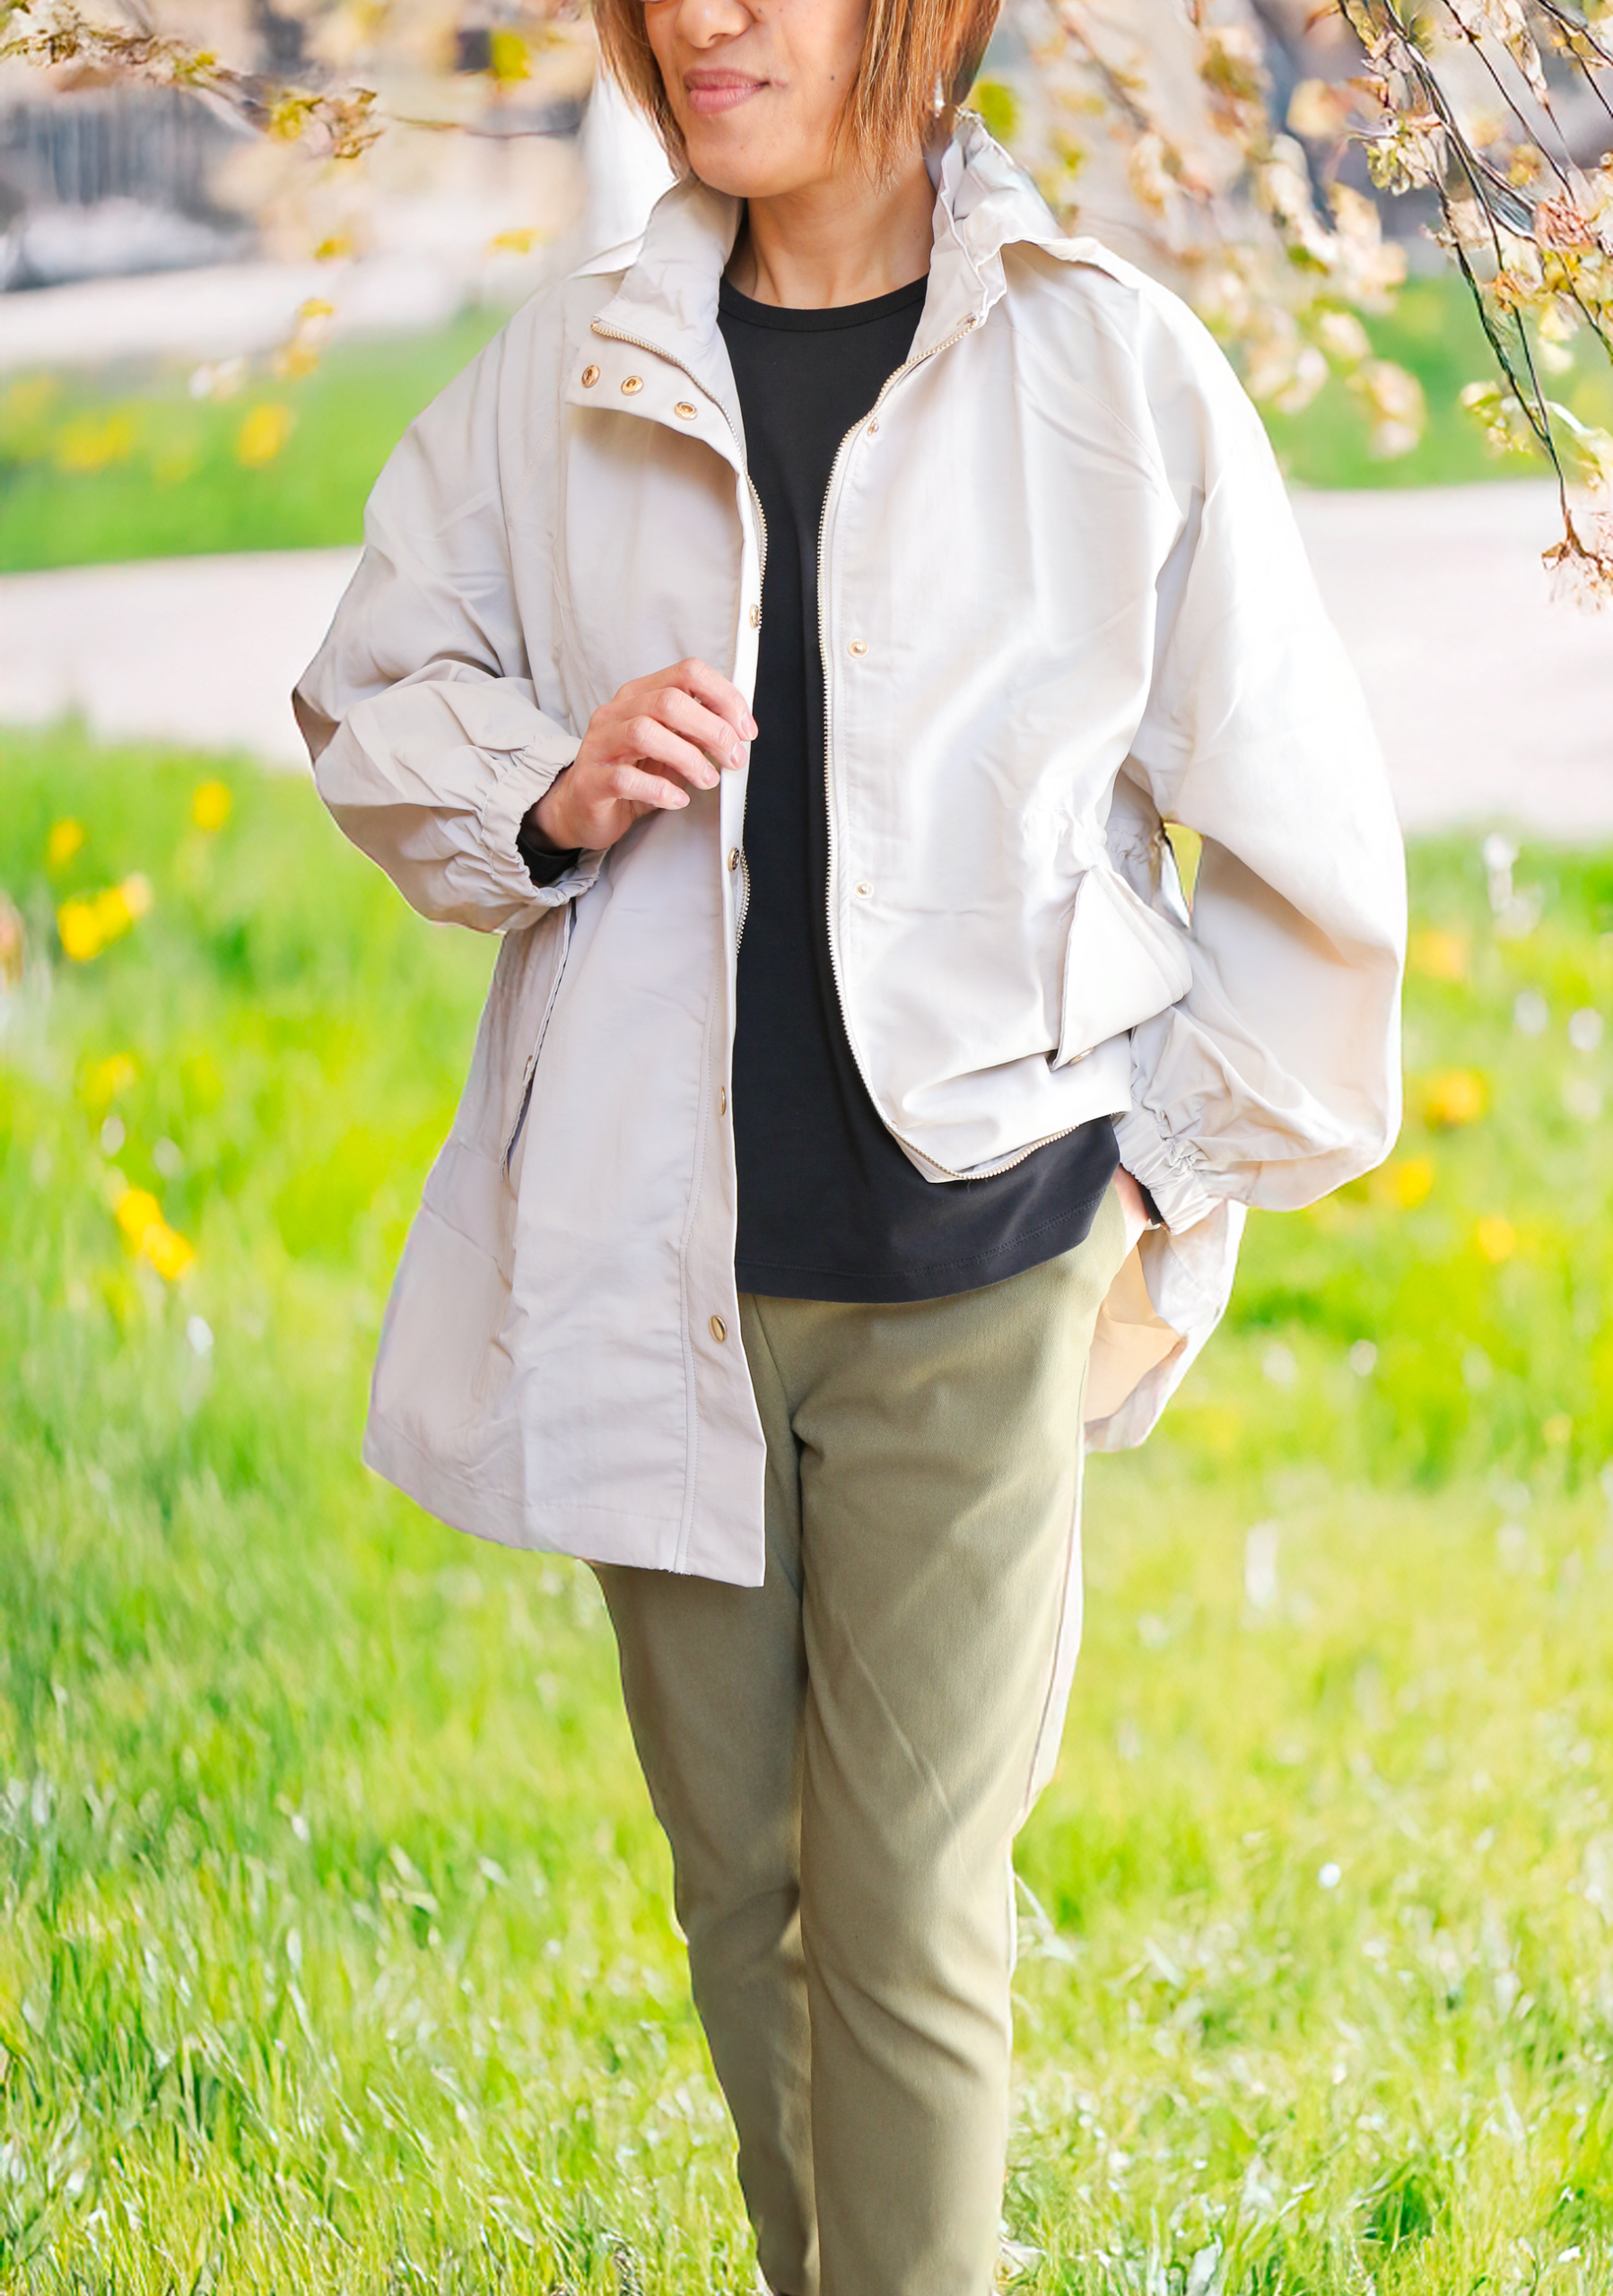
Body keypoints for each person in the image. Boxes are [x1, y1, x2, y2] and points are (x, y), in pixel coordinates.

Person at [293, 0, 1406, 2279]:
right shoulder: (565, 369)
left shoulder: (1108, 370)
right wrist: (545, 782)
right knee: (745, 1895)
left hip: (981, 1263)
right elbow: (373, 685)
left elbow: (1302, 847)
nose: (707, 21)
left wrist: (1144, 1176)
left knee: (904, 1911)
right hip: (655, 1262)